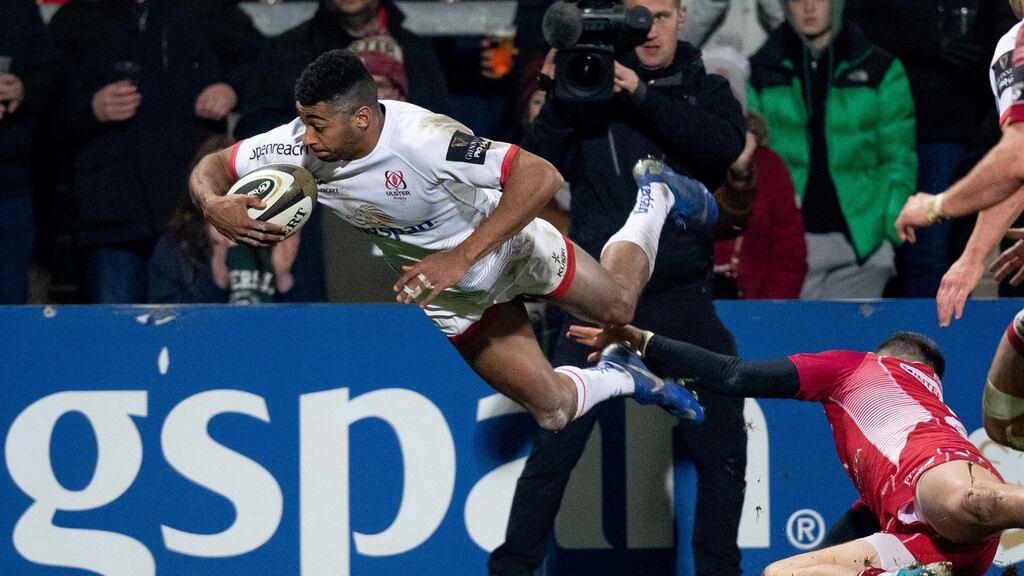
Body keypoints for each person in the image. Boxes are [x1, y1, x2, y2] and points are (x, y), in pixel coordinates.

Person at [191, 49, 713, 437]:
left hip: (508, 248)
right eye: (302, 120)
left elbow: (541, 175)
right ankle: (625, 376)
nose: (304, 137)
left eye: (316, 123)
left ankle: (657, 195)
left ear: (363, 117)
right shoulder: (298, 143)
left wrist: (461, 255)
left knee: (620, 305)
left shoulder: (425, 138)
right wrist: (214, 204)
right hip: (450, 293)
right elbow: (211, 167)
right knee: (552, 411)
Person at [489, 0, 749, 573]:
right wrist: (562, 93)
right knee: (556, 437)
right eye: (641, 16)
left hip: (680, 295)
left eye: (661, 14)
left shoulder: (703, 88)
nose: (651, 28)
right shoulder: (588, 87)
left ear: (683, 16)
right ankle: (511, 568)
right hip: (596, 298)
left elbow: (724, 149)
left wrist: (642, 96)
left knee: (726, 439)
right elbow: (535, 165)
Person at [566, 325, 1024, 576]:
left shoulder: (862, 367)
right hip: (939, 551)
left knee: (975, 502)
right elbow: (860, 521)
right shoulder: (927, 411)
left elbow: (732, 375)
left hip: (939, 485)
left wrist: (642, 339)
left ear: (890, 355)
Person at [235, 0, 451, 304]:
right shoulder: (289, 49)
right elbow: (255, 129)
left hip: (407, 208)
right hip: (317, 212)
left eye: (383, 88)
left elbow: (441, 134)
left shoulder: (415, 51)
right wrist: (311, 143)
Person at [49, 0, 264, 303]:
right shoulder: (78, 17)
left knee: (190, 341)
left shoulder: (208, 9)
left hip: (191, 218)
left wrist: (231, 89)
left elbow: (263, 64)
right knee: (120, 339)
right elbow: (43, 102)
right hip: (113, 217)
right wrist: (91, 108)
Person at [747, 0, 917, 299]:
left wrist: (888, 231)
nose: (810, 7)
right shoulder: (761, 69)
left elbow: (900, 157)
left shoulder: (881, 68)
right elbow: (756, 160)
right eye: (798, 0)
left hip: (864, 243)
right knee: (795, 343)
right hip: (790, 240)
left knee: (850, 344)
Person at [846, 0, 1014, 298]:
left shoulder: (1014, 43)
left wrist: (938, 208)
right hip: (904, 122)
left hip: (955, 123)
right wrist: (972, 257)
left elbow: (1016, 159)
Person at [701, 35, 808, 299]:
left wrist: (768, 310)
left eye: (729, 96)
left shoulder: (769, 166)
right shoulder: (677, 156)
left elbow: (790, 253)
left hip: (758, 308)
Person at [147, 135, 305, 304]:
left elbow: (309, 321)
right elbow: (164, 318)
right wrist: (217, 283)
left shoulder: (272, 233)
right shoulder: (177, 243)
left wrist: (283, 278)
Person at [0, 0, 62, 304]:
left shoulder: (16, 10)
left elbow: (51, 76)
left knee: (11, 305)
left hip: (11, 185)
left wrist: (24, 90)